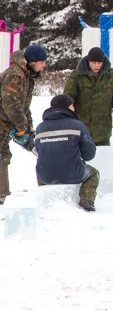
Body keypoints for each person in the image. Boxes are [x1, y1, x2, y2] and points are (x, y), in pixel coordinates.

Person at [0, 44, 48, 204]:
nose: (44, 65)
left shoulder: (26, 76)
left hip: (6, 122)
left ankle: (2, 194)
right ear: (33, 61)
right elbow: (10, 103)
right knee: (1, 155)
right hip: (3, 121)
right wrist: (21, 126)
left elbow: (23, 104)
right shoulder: (16, 75)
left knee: (2, 155)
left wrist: (28, 125)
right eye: (42, 61)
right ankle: (2, 196)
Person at [35, 94, 99, 212]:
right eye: (72, 105)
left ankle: (46, 205)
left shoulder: (40, 128)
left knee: (42, 172)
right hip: (72, 174)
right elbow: (90, 154)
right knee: (94, 174)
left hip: (45, 176)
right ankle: (87, 200)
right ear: (67, 107)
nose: (74, 108)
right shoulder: (77, 125)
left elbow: (39, 151)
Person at [64, 46, 113, 147]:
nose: (96, 65)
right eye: (93, 63)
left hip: (103, 132)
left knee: (102, 161)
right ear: (88, 62)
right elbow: (67, 97)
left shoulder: (111, 76)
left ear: (103, 62)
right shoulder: (77, 76)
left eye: (99, 63)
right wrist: (68, 107)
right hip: (81, 130)